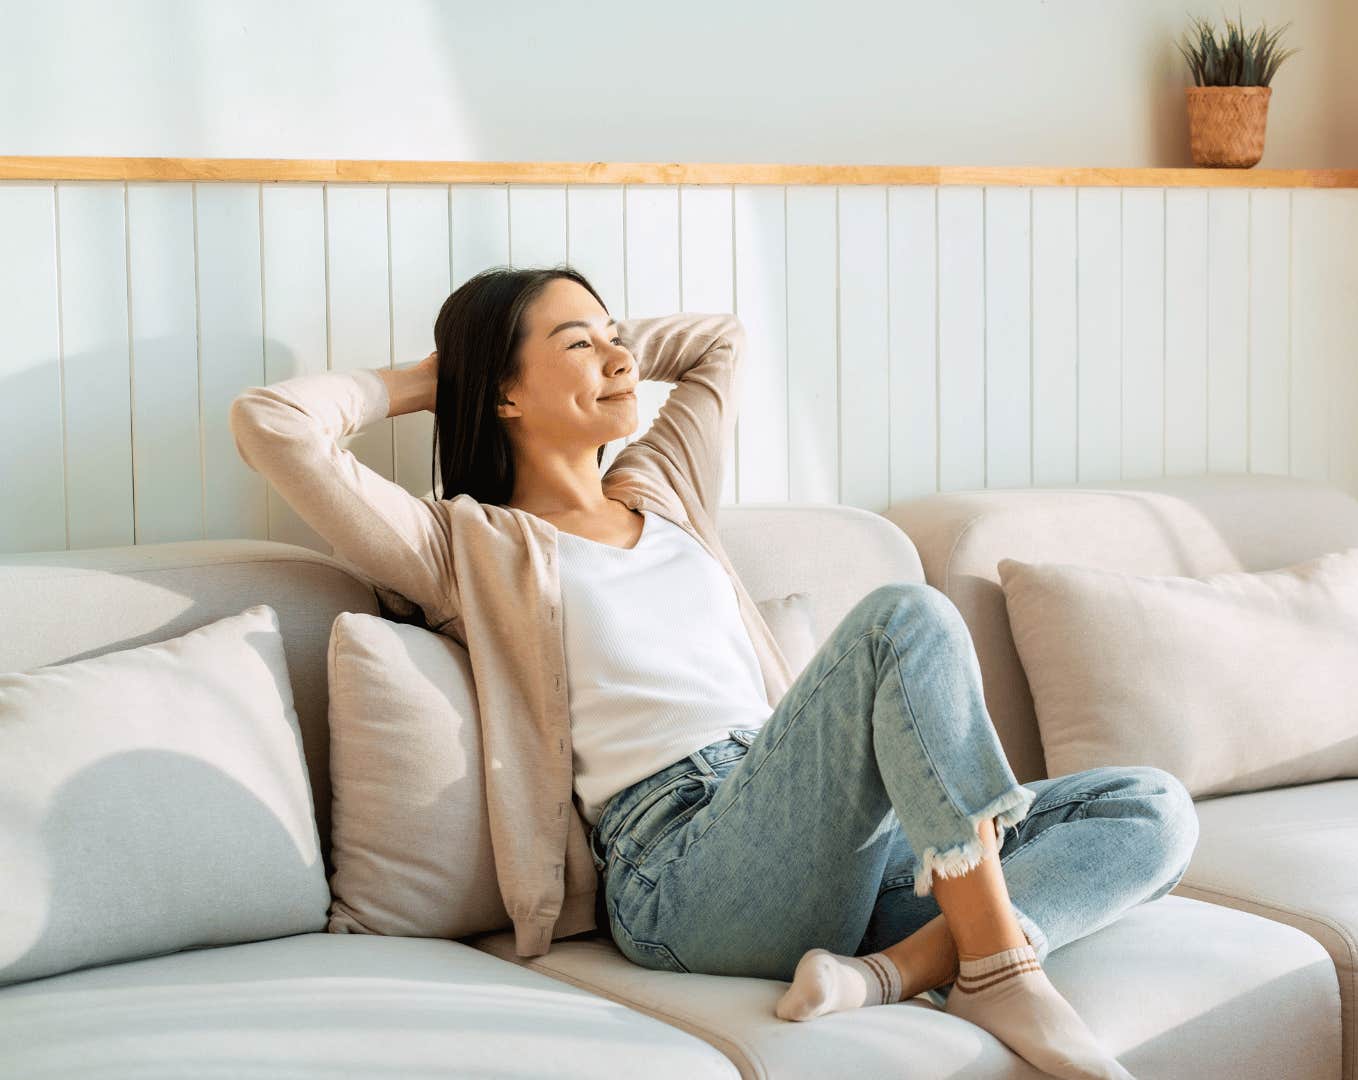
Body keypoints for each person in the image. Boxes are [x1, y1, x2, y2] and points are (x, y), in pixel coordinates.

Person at [230, 264, 1198, 1080]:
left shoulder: (664, 489)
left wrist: (589, 341)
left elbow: (717, 342)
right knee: (905, 618)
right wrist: (439, 375)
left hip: (827, 835)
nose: (618, 359)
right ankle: (998, 972)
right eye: (579, 343)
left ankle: (890, 974)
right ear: (503, 392)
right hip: (679, 866)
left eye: (616, 336)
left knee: (1150, 806)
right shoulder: (467, 545)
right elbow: (274, 424)